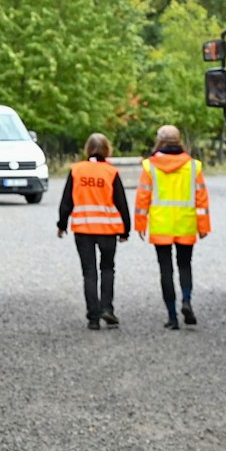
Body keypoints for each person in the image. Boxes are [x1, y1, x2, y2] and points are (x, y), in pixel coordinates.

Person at [135, 124, 212, 329]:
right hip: (185, 224)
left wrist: (140, 224)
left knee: (166, 270)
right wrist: (203, 226)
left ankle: (172, 316)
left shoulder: (149, 166)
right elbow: (201, 199)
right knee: (185, 265)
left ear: (159, 141)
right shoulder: (193, 166)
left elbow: (142, 198)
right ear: (179, 141)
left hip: (161, 226)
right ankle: (186, 300)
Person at [57, 133, 129, 330]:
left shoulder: (76, 170)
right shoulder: (111, 172)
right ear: (107, 150)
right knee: (107, 269)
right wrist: (126, 230)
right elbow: (121, 203)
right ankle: (107, 308)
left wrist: (62, 224)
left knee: (89, 272)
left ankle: (93, 317)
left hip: (83, 229)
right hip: (107, 229)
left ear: (87, 149)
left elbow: (66, 201)